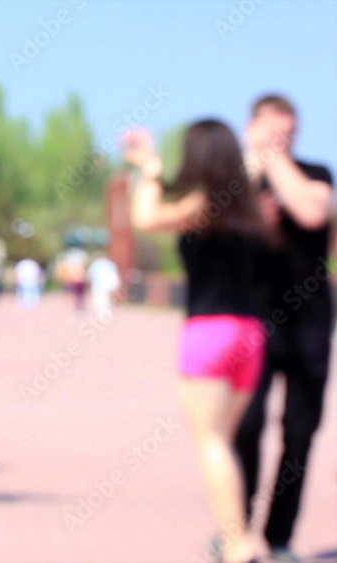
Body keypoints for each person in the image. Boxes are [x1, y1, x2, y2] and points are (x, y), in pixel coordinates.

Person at [124, 120, 272, 563]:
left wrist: (150, 169)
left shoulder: (204, 203)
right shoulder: (249, 208)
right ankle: (234, 535)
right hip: (251, 334)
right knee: (223, 441)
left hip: (208, 333)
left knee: (211, 444)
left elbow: (145, 217)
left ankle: (238, 542)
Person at [234, 95, 334, 563]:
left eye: (288, 133)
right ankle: (236, 531)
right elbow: (210, 227)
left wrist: (275, 159)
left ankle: (278, 537)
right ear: (251, 127)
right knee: (244, 426)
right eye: (272, 131)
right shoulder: (236, 182)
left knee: (299, 432)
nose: (281, 140)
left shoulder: (314, 174)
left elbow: (313, 212)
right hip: (252, 322)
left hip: (310, 325)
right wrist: (252, 168)